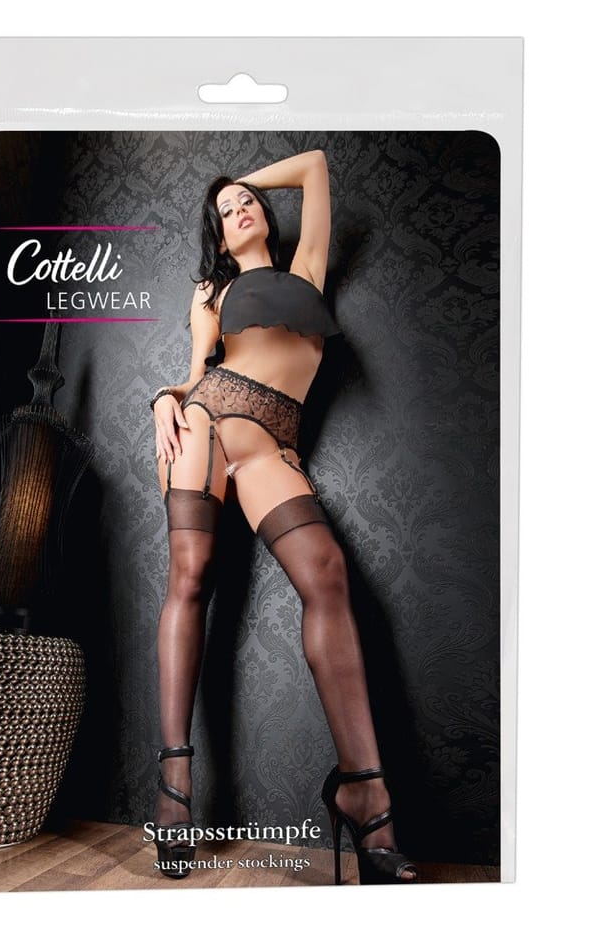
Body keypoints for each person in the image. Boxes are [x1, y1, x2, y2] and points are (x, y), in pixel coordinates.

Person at [149, 150, 418, 885]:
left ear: (265, 214)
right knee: (191, 578)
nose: (240, 211)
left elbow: (315, 168)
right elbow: (196, 371)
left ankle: (364, 791)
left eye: (246, 203)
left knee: (325, 573)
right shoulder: (211, 291)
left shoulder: (306, 270)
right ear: (217, 233)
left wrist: (239, 182)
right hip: (205, 423)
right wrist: (166, 397)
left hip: (273, 446)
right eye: (225, 211)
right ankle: (174, 783)